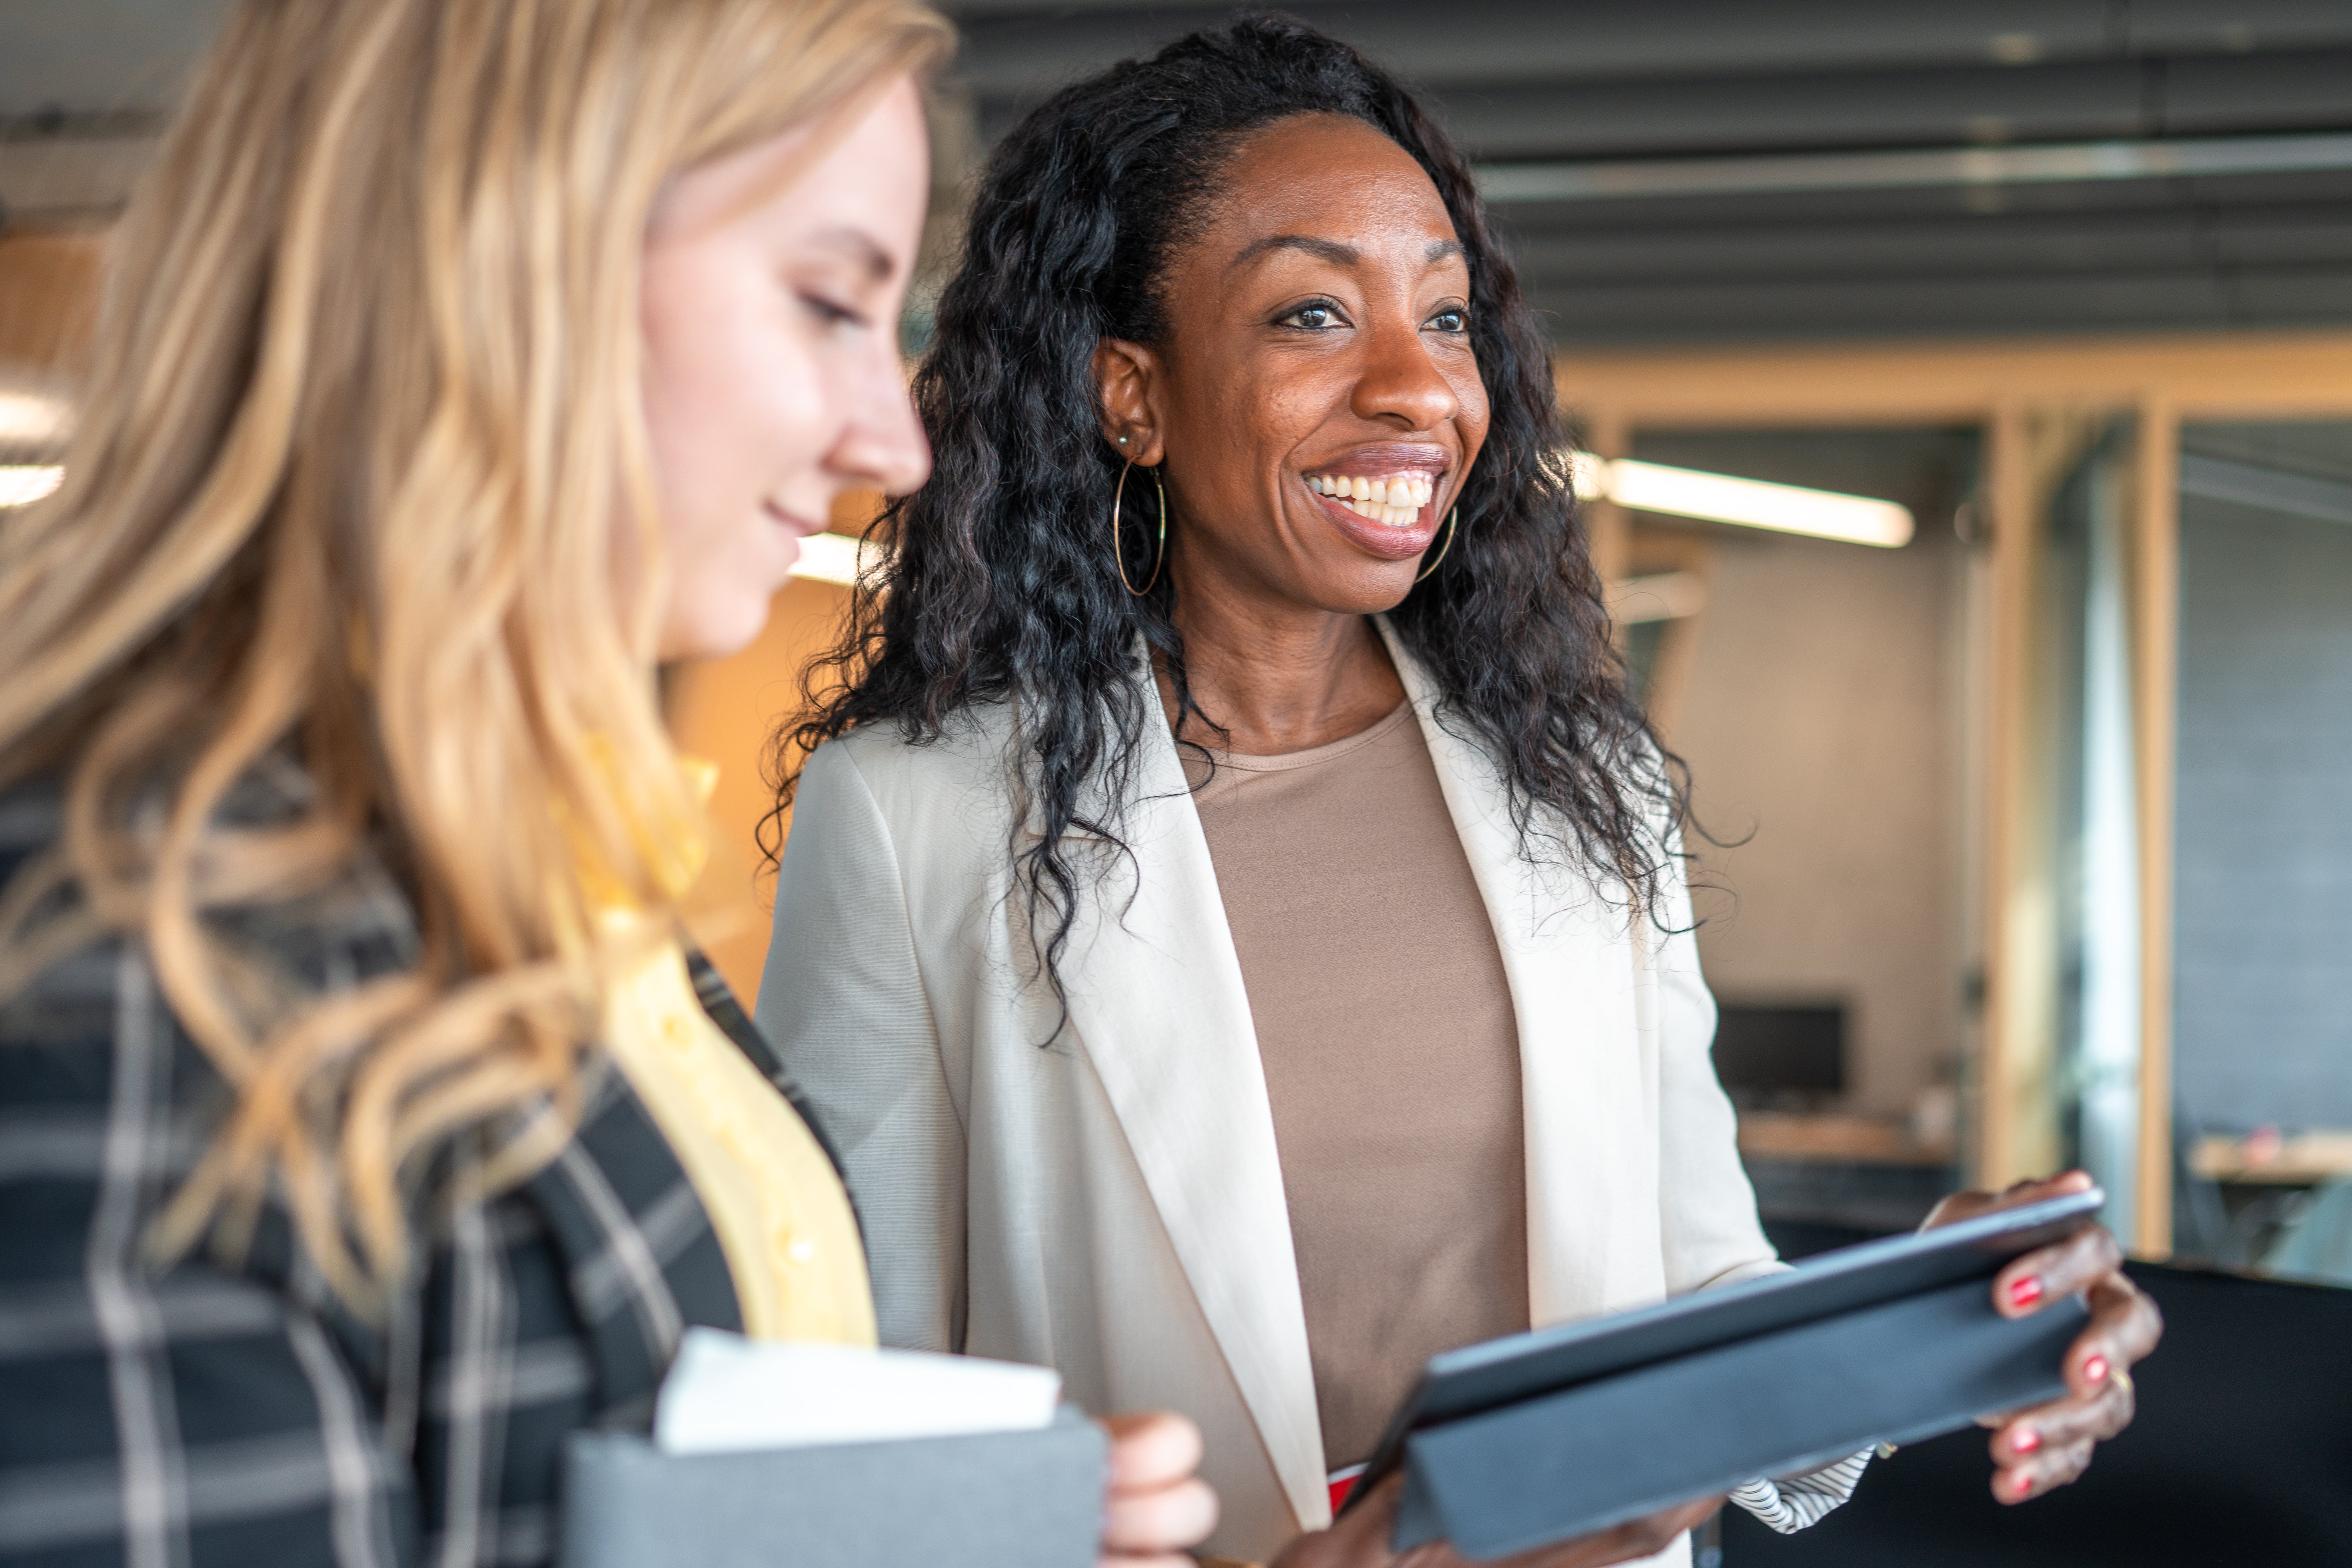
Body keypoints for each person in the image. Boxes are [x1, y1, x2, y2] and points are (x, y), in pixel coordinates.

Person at [755, 18, 2163, 1567]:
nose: (1414, 388)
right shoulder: (916, 819)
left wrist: (1927, 1320)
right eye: (1309, 313)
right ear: (1127, 395)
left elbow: (1687, 1293)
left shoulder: (1581, 788)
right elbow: (851, 1419)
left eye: (1441, 316)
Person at [0, 2, 1216, 1565]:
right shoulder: (136, 948)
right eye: (824, 301)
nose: (889, 441)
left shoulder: (551, 873)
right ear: (505, 261)